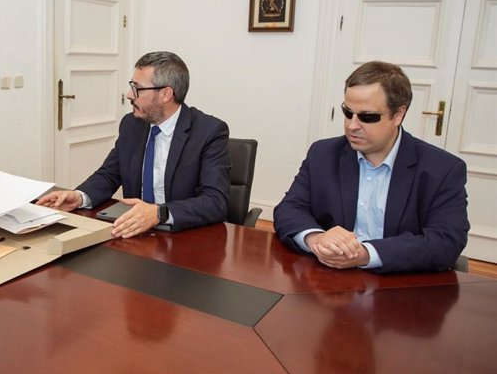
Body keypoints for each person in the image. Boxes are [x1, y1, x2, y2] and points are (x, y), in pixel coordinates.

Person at [274, 61, 469, 273]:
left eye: (367, 117)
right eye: (348, 112)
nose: (352, 125)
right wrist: (317, 238)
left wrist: (366, 254)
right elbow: (289, 208)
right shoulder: (323, 153)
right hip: (329, 281)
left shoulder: (442, 169)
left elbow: (445, 241)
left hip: (401, 287)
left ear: (398, 115)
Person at [38, 51, 230, 238]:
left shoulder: (209, 132)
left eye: (137, 88)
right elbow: (109, 174)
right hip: (134, 234)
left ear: (165, 94)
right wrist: (80, 196)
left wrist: (158, 213)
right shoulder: (132, 124)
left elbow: (215, 202)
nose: (129, 95)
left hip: (185, 238)